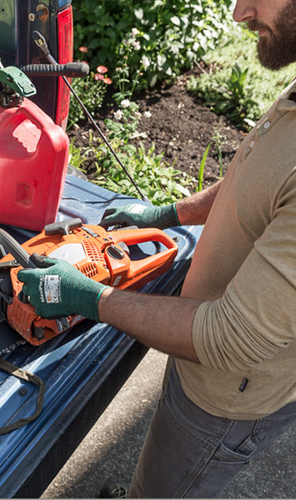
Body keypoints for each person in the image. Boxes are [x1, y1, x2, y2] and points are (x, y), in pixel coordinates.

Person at [17, 0, 296, 496]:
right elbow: (253, 180)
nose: (239, 13)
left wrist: (90, 298)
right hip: (198, 345)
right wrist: (169, 214)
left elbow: (229, 340)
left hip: (225, 395)